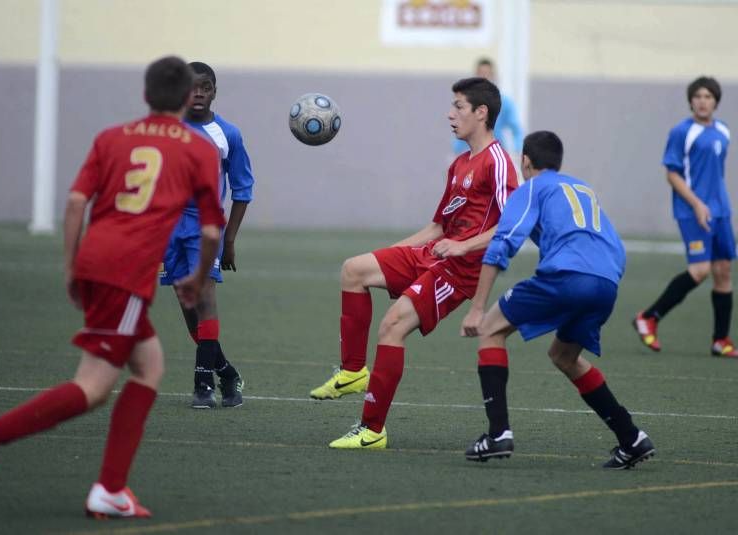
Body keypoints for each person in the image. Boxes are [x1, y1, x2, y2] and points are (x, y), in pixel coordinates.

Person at [0, 56, 225, 517]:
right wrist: (196, 281)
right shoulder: (198, 149)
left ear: (145, 95)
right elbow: (212, 231)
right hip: (124, 274)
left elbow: (77, 202)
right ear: (185, 98)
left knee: (149, 365)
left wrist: (70, 268)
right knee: (94, 386)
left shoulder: (112, 137)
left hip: (98, 264)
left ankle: (111, 489)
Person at [311, 77, 519, 449]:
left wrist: (462, 246)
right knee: (354, 270)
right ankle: (352, 371)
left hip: (461, 271)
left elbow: (511, 226)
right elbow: (438, 226)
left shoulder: (498, 162)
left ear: (481, 112)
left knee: (392, 326)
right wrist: (393, 253)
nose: (450, 114)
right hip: (435, 252)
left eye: (458, 106)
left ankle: (372, 431)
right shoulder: (459, 164)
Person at [460, 130, 656, 469]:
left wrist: (476, 308)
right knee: (564, 356)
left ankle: (497, 434)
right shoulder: (581, 188)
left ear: (525, 161)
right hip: (607, 282)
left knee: (490, 329)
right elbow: (612, 243)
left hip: (568, 278)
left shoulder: (534, 186)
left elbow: (503, 242)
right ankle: (631, 437)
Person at [159, 61, 255, 409]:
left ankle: (203, 386)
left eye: (206, 87)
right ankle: (226, 373)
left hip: (206, 225)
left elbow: (243, 189)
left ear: (215, 92)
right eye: (191, 86)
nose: (198, 92)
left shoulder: (227, 134)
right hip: (169, 228)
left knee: (205, 297)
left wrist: (229, 240)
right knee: (188, 307)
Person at [634, 76, 737, 357]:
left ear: (716, 101)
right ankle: (649, 317)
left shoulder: (723, 131)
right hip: (692, 211)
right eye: (698, 96)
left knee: (723, 271)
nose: (703, 101)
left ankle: (721, 340)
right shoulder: (682, 131)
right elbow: (672, 173)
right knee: (701, 270)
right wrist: (697, 204)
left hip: (721, 211)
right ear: (691, 100)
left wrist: (718, 205)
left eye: (708, 96)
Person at [453, 58, 523, 155]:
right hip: (473, 154)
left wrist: (516, 150)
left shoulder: (504, 102)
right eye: (481, 73)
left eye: (487, 74)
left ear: (493, 76)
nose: (484, 77)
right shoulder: (467, 103)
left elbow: (516, 128)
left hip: (497, 152)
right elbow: (461, 127)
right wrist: (457, 152)